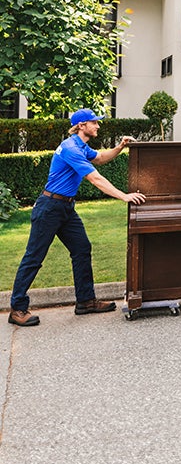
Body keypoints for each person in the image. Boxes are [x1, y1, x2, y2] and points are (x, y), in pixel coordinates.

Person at [8, 108, 146, 327]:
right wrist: (124, 196)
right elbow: (95, 178)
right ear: (82, 126)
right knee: (34, 257)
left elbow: (100, 158)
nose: (98, 126)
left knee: (82, 249)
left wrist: (120, 147)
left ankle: (85, 301)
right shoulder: (71, 149)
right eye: (94, 123)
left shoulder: (81, 146)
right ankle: (17, 308)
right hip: (50, 208)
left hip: (66, 208)